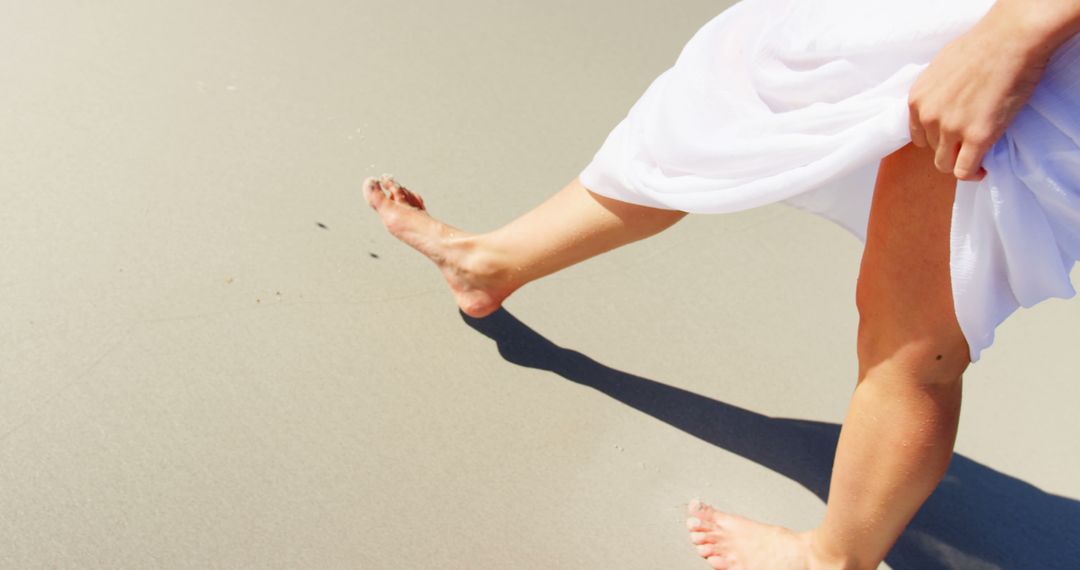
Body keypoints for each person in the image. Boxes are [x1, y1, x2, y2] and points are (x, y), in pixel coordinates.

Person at [363, 0, 1080, 567]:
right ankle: (492, 264)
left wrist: (1021, 28)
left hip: (1028, 38)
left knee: (911, 333)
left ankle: (833, 559)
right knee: (725, 109)